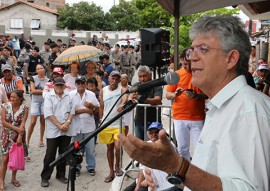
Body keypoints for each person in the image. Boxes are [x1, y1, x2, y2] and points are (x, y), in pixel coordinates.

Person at [118, 15, 270, 191]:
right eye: (192, 51)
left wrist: (176, 166)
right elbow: (211, 175)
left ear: (230, 58)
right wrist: (165, 173)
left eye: (203, 49)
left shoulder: (250, 112)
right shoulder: (219, 106)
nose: (192, 58)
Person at [166, 49, 207, 161]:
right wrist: (175, 94)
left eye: (189, 64)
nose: (187, 67)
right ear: (180, 62)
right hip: (180, 117)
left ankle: (199, 171)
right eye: (184, 64)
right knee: (182, 148)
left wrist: (197, 96)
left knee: (200, 148)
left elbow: (208, 94)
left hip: (197, 118)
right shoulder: (176, 75)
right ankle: (186, 173)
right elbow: (168, 95)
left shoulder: (201, 73)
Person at [125, 122, 181, 191]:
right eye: (151, 132)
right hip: (149, 178)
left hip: (164, 181)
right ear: (148, 134)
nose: (154, 134)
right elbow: (142, 169)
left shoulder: (169, 145)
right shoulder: (147, 144)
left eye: (156, 132)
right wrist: (138, 186)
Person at [40, 77, 75, 187]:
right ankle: (45, 177)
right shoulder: (48, 96)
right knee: (50, 154)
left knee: (63, 153)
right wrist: (59, 125)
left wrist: (67, 123)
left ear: (64, 86)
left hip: (66, 128)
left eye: (61, 85)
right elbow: (49, 113)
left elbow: (72, 110)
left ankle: (60, 175)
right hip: (53, 129)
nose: (59, 87)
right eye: (57, 85)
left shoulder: (68, 95)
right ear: (53, 86)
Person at [69, 76, 100, 177]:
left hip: (89, 126)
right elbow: (70, 111)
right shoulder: (71, 95)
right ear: (76, 84)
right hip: (76, 127)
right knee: (76, 148)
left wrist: (92, 107)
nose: (80, 85)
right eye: (78, 83)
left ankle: (91, 167)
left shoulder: (91, 94)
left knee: (90, 148)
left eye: (82, 83)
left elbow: (97, 108)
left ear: (85, 84)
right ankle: (76, 167)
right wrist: (86, 110)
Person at [99, 70, 125, 183]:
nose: (114, 81)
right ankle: (111, 171)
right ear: (108, 79)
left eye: (116, 79)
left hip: (118, 123)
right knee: (109, 148)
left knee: (118, 146)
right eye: (112, 78)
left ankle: (117, 166)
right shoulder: (103, 91)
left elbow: (125, 98)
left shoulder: (122, 89)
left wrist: (122, 104)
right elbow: (101, 106)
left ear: (119, 80)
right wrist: (101, 120)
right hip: (106, 123)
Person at [0, 90, 29, 189]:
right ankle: (1, 182)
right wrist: (17, 129)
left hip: (17, 136)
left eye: (14, 97)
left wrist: (20, 136)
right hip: (6, 135)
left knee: (15, 158)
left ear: (20, 98)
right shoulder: (5, 106)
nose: (11, 99)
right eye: (11, 97)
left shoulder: (25, 108)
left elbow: (23, 123)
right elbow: (3, 122)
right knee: (5, 159)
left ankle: (13, 178)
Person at [132, 65, 163, 140]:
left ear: (150, 75)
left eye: (144, 76)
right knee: (139, 146)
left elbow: (157, 100)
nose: (142, 79)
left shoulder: (157, 85)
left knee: (151, 146)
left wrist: (141, 98)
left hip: (153, 122)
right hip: (139, 120)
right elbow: (130, 97)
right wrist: (131, 98)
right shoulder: (136, 86)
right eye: (140, 76)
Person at [26, 64, 49, 150]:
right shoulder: (33, 78)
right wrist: (44, 91)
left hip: (44, 101)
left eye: (41, 68)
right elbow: (33, 91)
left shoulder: (48, 80)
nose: (40, 70)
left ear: (44, 69)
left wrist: (38, 91)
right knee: (32, 122)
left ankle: (41, 140)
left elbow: (48, 92)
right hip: (35, 101)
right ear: (36, 71)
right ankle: (27, 140)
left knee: (42, 121)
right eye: (38, 69)